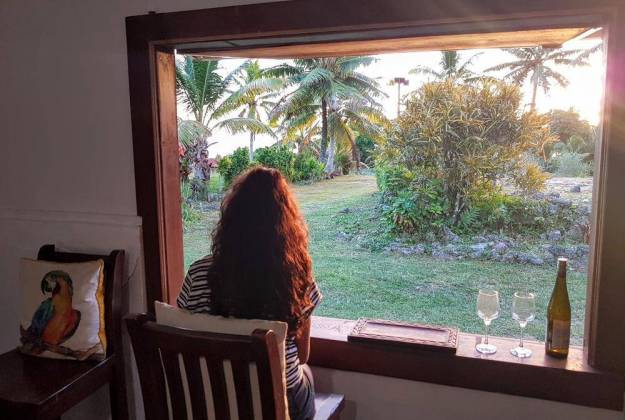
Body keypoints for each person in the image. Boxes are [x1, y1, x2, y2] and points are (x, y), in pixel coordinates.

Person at [177, 166, 322, 420]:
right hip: (277, 404)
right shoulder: (297, 277)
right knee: (306, 373)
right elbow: (303, 355)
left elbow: (181, 330)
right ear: (286, 224)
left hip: (215, 401)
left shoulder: (198, 272)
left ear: (231, 219)